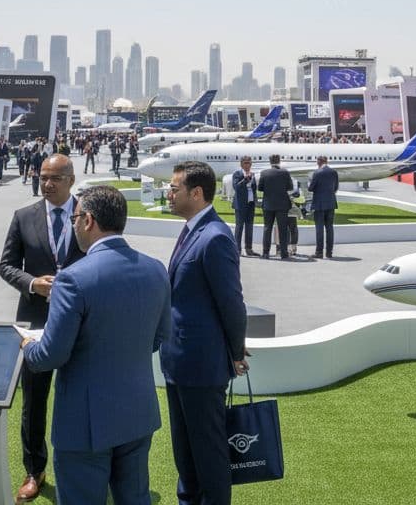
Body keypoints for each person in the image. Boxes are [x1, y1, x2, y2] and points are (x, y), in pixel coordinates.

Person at [21, 186, 170, 505]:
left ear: (87, 220)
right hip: (137, 411)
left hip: (84, 421)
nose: (73, 225)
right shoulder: (156, 269)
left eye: (75, 218)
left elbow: (50, 354)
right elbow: (158, 338)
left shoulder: (73, 279)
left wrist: (27, 346)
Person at [0, 154, 88, 502]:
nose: (46, 183)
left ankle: (82, 464)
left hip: (80, 323)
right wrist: (33, 283)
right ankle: (34, 470)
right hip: (35, 324)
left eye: (55, 178)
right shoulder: (24, 217)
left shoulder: (88, 213)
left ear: (71, 179)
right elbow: (6, 266)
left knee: (81, 395)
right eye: (42, 176)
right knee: (34, 402)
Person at [162, 161, 248, 505]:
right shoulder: (192, 230)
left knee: (209, 455)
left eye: (174, 189)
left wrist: (236, 351)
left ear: (196, 193)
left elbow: (232, 303)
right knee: (186, 453)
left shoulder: (214, 237)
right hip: (179, 363)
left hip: (201, 367)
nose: (169, 194)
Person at [257, 154, 294, 260]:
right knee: (283, 229)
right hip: (282, 204)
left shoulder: (264, 173)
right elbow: (290, 187)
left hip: (268, 204)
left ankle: (265, 253)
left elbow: (260, 188)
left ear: (270, 161)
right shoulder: (285, 172)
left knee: (267, 228)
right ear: (279, 161)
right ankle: (284, 253)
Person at [308, 155, 339, 259]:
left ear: (319, 162)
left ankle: (319, 252)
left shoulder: (317, 173)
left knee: (319, 229)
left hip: (319, 204)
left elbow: (311, 188)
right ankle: (329, 252)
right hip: (331, 203)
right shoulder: (334, 172)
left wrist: (310, 182)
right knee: (329, 228)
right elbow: (336, 187)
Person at [230, 156, 259, 257]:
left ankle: (249, 248)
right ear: (241, 164)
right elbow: (236, 187)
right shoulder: (237, 174)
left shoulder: (253, 174)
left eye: (250, 163)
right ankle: (237, 249)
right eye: (246, 163)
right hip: (240, 205)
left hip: (250, 204)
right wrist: (246, 180)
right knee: (239, 226)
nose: (248, 165)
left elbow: (254, 188)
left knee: (249, 226)